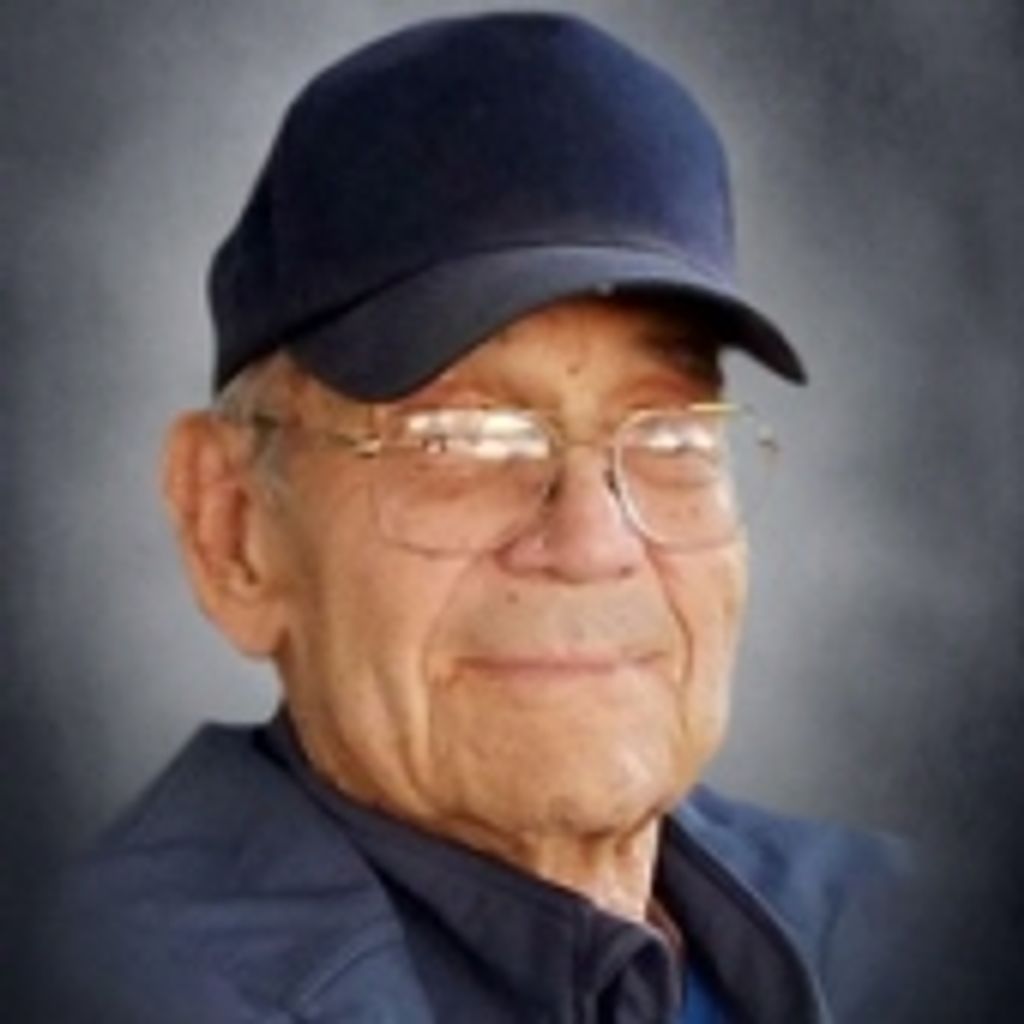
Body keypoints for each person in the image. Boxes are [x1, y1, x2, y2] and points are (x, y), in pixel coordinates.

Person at [34, 12, 918, 1023]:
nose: (591, 543)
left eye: (669, 434)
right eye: (461, 438)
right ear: (233, 530)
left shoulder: (907, 927)